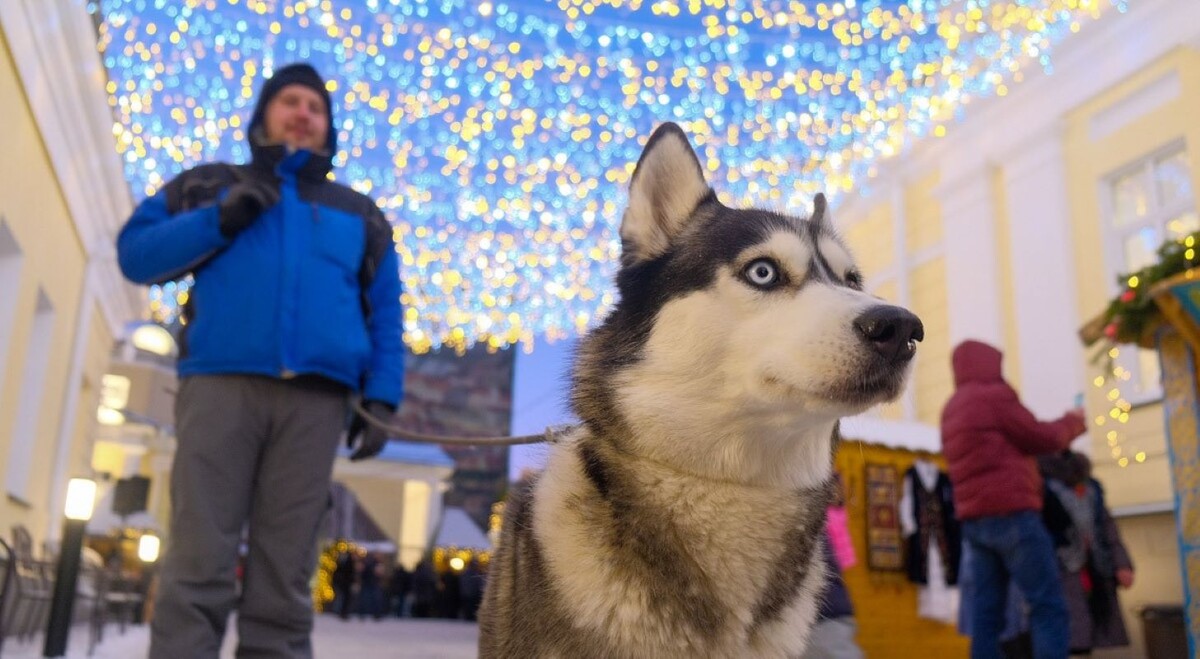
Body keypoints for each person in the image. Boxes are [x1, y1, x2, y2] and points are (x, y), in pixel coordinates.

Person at [117, 62, 404, 658]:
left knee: (287, 572)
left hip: (317, 403)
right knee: (198, 557)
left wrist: (383, 393)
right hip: (219, 388)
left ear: (328, 128)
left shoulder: (360, 213)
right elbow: (136, 254)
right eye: (290, 101)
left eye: (315, 107)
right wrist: (218, 220)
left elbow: (385, 310)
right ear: (264, 114)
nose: (302, 113)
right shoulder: (210, 185)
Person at [941, 340, 1086, 659]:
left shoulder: (951, 409)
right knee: (1047, 605)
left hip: (975, 523)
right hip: (1014, 516)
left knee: (987, 615)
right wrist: (1074, 421)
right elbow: (1040, 437)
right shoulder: (994, 396)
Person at [1039, 450, 1134, 655]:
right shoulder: (1043, 488)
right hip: (1060, 570)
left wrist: (1122, 563)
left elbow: (1107, 527)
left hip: (1095, 567)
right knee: (1067, 632)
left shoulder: (1091, 488)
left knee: (1088, 629)